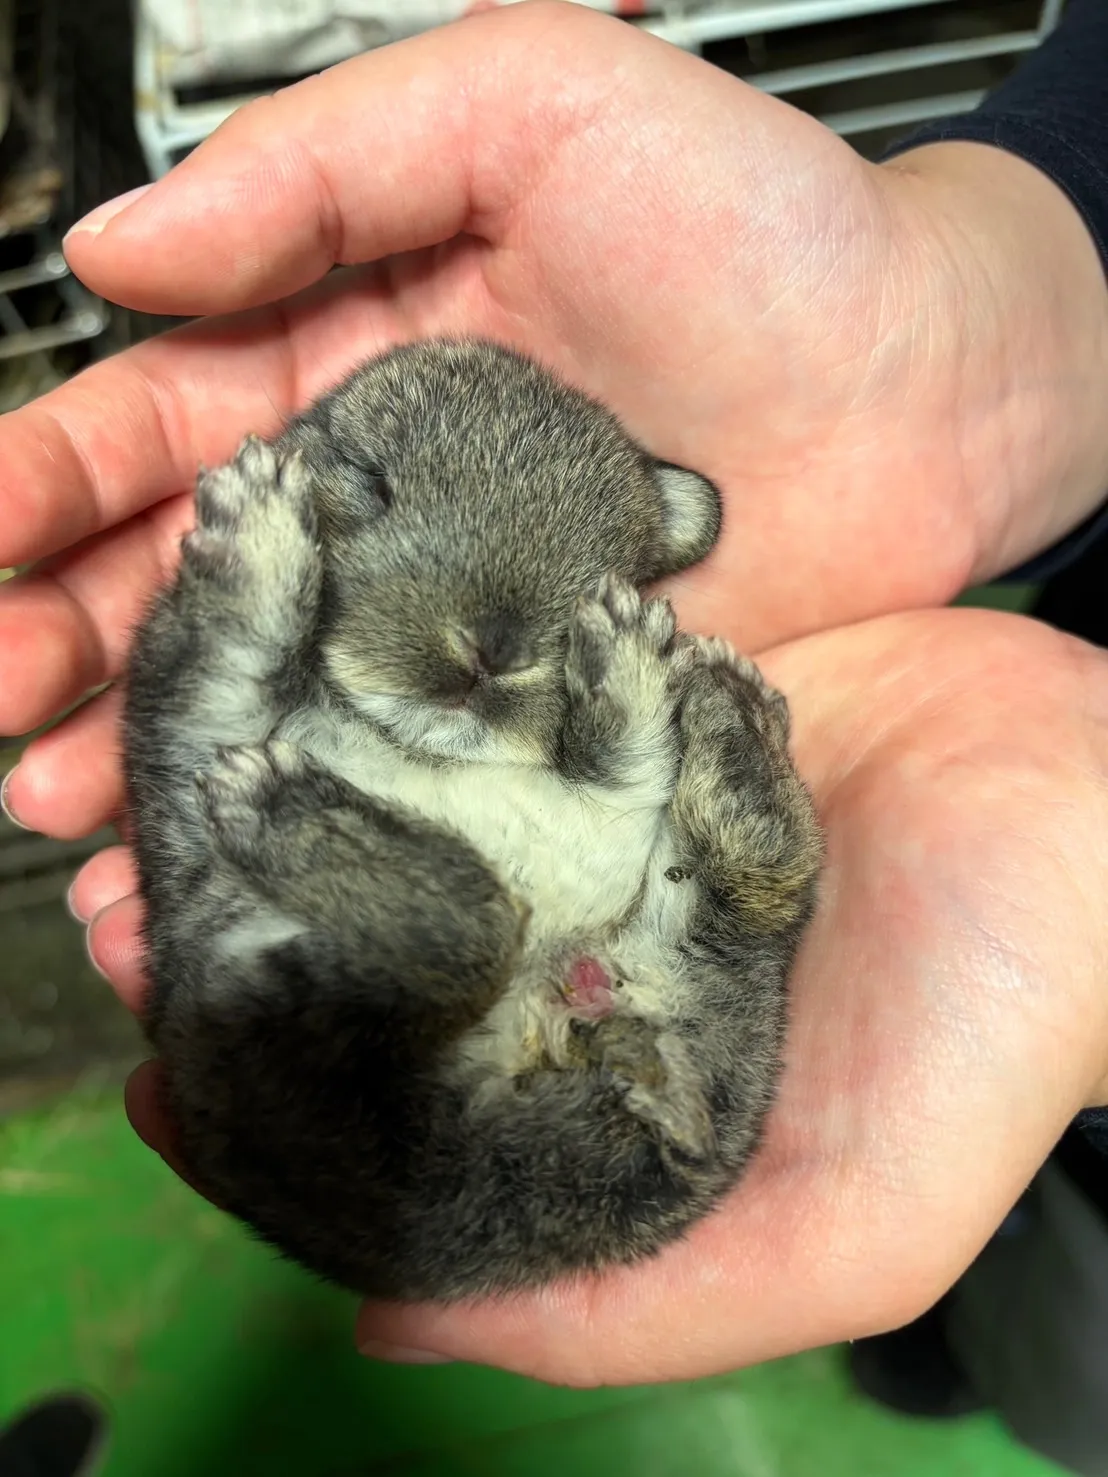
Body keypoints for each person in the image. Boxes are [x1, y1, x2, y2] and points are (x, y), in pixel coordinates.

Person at [1, 0, 1107, 1459]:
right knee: (671, 910)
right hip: (586, 1084)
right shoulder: (362, 629)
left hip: (453, 1050)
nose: (481, 671)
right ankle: (643, 848)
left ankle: (509, 885)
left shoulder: (463, 657)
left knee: (342, 830)